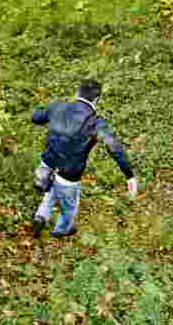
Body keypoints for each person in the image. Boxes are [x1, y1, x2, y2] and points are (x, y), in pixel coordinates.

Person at [30, 79, 137, 238]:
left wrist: (49, 109)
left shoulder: (58, 106)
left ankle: (41, 216)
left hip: (47, 164)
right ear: (96, 99)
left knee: (50, 190)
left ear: (77, 93)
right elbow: (114, 147)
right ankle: (62, 230)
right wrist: (129, 175)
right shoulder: (95, 122)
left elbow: (36, 117)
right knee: (69, 207)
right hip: (69, 173)